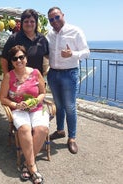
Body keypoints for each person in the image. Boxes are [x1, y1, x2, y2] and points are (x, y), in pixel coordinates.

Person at [0, 45, 49, 184]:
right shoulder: (9, 76)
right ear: (12, 61)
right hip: (19, 109)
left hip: (37, 107)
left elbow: (43, 93)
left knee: (42, 129)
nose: (18, 60)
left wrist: (35, 101)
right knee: (25, 129)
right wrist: (16, 105)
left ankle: (26, 164)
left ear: (26, 58)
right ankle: (33, 168)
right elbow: (2, 98)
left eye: (21, 57)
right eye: (15, 58)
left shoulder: (35, 73)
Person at [46, 7, 90, 154]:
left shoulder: (75, 31)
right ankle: (60, 131)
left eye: (57, 17)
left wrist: (72, 54)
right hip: (53, 74)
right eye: (51, 19)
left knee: (70, 107)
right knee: (58, 105)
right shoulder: (50, 34)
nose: (54, 21)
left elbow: (86, 52)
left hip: (69, 74)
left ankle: (72, 138)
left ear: (63, 15)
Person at [1, 9, 49, 75]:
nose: (29, 24)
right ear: (22, 23)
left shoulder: (42, 39)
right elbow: (4, 59)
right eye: (26, 21)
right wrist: (7, 76)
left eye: (32, 21)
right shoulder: (14, 38)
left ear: (36, 23)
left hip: (35, 80)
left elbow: (47, 56)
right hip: (17, 81)